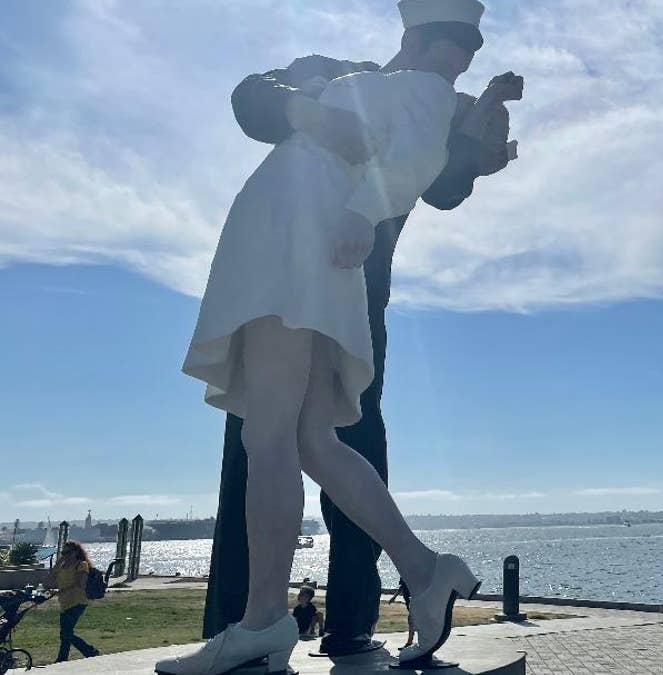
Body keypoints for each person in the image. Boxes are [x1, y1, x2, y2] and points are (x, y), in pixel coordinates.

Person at [159, 1, 521, 672]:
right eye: (450, 39)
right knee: (293, 442)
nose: (456, 55)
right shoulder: (333, 71)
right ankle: (401, 575)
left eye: (464, 45)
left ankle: (290, 620)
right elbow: (251, 96)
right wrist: (310, 110)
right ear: (414, 32)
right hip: (311, 260)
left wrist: (474, 154)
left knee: (286, 437)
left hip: (320, 267)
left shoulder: (429, 95)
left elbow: (434, 177)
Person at [49, 541, 100, 663]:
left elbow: (80, 584)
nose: (65, 555)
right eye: (63, 553)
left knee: (66, 632)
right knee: (66, 633)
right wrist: (57, 565)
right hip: (64, 603)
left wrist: (61, 591)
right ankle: (65, 659)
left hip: (77, 602)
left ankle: (88, 651)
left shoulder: (82, 565)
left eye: (68, 552)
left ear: (76, 552)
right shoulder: (61, 567)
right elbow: (49, 580)